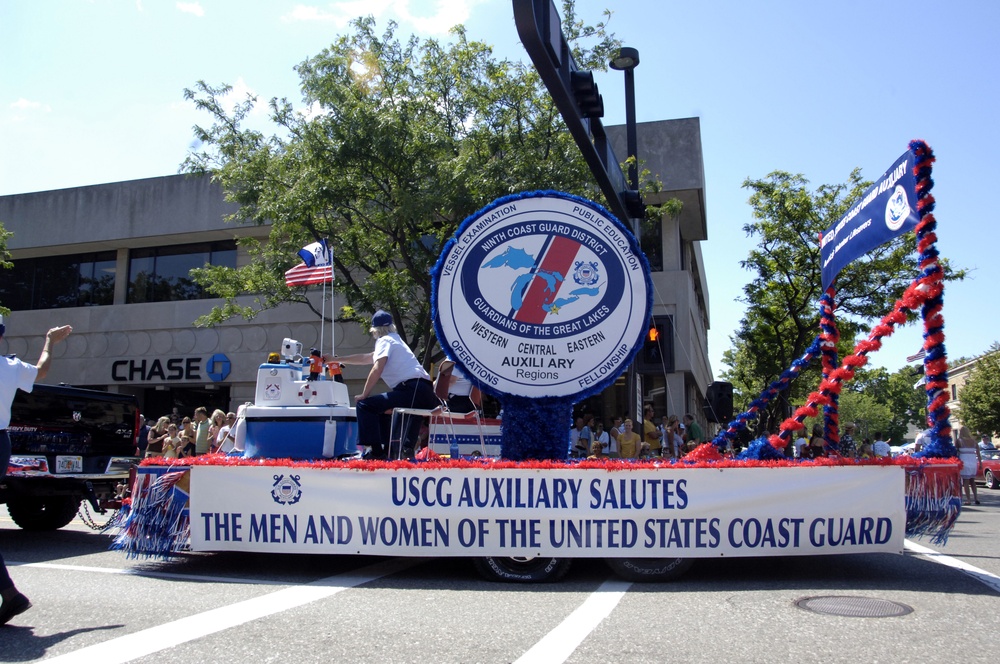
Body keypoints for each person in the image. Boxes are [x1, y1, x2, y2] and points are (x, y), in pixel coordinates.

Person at [0, 316, 73, 625]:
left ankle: (10, 593)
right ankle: (9, 593)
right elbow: (42, 369)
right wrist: (49, 341)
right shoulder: (10, 366)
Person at [335, 310, 438, 459]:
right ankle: (390, 450)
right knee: (382, 408)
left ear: (375, 331)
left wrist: (364, 394)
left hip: (411, 390)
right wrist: (336, 360)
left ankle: (375, 452)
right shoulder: (396, 340)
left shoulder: (383, 341)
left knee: (365, 405)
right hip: (426, 392)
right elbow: (366, 358)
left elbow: (377, 368)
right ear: (392, 327)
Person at [956, 425, 981, 505]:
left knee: (965, 481)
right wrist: (980, 462)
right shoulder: (974, 441)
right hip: (973, 460)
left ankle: (968, 499)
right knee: (972, 480)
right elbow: (978, 453)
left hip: (964, 460)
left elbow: (956, 452)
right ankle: (976, 498)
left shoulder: (959, 441)